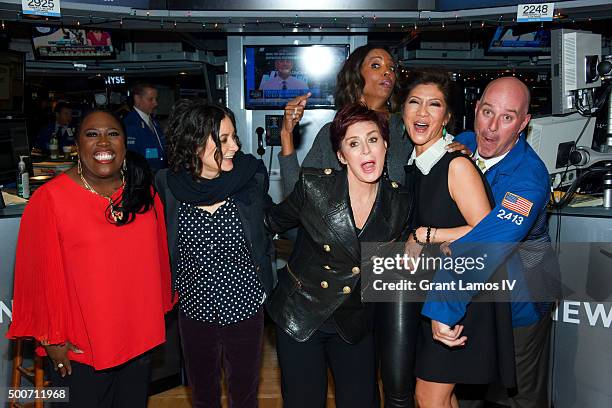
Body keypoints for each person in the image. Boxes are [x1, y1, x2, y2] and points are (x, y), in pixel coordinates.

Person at [278, 46, 468, 408]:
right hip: (334, 284)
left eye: (392, 67)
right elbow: (297, 206)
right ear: (357, 75)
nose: (387, 73)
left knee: (398, 383)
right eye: (376, 65)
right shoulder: (335, 133)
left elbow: (439, 161)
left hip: (395, 271)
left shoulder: (408, 126)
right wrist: (287, 141)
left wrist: (462, 145)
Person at [7, 110, 174, 407]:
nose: (104, 143)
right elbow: (36, 277)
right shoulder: (50, 200)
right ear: (77, 145)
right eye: (92, 134)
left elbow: (159, 258)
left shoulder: (142, 190)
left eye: (113, 134)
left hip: (138, 337)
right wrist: (51, 338)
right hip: (81, 347)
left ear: (125, 142)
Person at [265, 103, 415, 408]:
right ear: (340, 155)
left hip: (355, 321)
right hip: (301, 315)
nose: (366, 152)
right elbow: (271, 222)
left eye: (373, 140)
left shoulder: (401, 202)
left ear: (386, 144)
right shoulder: (314, 188)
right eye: (353, 144)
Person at [423, 76, 555, 408]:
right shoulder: (463, 142)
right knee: (464, 392)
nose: (491, 127)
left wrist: (443, 305)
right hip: (475, 299)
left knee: (516, 397)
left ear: (524, 123)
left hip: (519, 302)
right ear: (475, 109)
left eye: (507, 117)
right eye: (486, 112)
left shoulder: (529, 180)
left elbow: (489, 241)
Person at [394, 69, 515, 408]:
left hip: (460, 297)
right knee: (438, 397)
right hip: (432, 293)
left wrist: (425, 235)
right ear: (401, 110)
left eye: (434, 105)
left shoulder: (455, 165)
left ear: (446, 116)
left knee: (429, 396)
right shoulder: (414, 165)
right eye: (414, 103)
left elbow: (489, 232)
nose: (422, 113)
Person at [155, 99, 276, 408]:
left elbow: (279, 221)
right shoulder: (167, 185)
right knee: (202, 392)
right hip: (194, 310)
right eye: (223, 139)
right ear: (194, 143)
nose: (234, 145)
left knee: (244, 392)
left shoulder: (250, 177)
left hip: (245, 306)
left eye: (234, 136)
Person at [123, 83, 166, 171]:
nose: (155, 103)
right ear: (137, 99)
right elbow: (132, 160)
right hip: (144, 176)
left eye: (155, 99)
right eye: (151, 99)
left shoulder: (154, 122)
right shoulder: (130, 124)